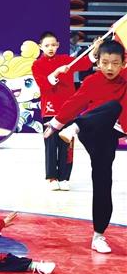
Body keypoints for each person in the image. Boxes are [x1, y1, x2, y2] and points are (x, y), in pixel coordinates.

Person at [44, 39, 127, 254]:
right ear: (97, 62)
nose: (110, 68)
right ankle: (75, 127)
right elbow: (75, 102)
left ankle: (98, 235)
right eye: (105, 62)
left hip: (110, 135)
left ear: (123, 64)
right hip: (89, 131)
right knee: (112, 106)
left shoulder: (125, 80)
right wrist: (55, 124)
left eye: (115, 63)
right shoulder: (92, 81)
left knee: (103, 181)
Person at [31, 32, 99, 191]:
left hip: (69, 109)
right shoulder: (37, 65)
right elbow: (44, 85)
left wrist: (95, 49)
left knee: (67, 145)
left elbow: (85, 63)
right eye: (47, 45)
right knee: (51, 145)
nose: (50, 48)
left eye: (53, 45)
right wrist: (57, 72)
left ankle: (64, 177)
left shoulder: (65, 60)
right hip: (49, 110)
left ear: (58, 45)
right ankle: (51, 177)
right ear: (40, 46)